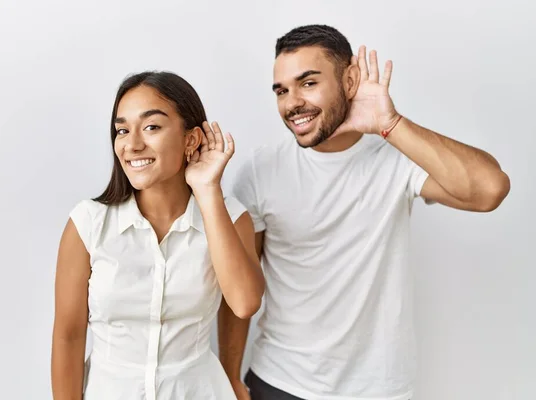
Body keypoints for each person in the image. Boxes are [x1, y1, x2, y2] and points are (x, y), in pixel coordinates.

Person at [220, 24, 511, 400]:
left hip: (379, 390)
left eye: (308, 83)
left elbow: (490, 191)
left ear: (351, 78)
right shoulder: (260, 171)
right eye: (282, 90)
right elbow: (239, 283)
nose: (292, 102)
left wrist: (390, 125)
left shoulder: (397, 158)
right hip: (281, 382)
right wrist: (230, 376)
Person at [51, 71, 265, 400]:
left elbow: (245, 303)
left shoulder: (230, 217)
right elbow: (68, 335)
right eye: (122, 130)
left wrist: (207, 190)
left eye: (151, 127)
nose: (133, 144)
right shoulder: (88, 223)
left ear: (191, 139)